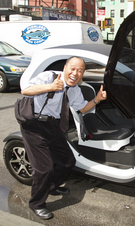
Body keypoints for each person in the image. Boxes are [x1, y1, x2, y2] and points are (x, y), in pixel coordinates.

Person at [20, 56, 107, 220]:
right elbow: (26, 90)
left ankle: (51, 187)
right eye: (73, 68)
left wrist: (97, 99)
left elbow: (82, 108)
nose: (76, 73)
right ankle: (36, 204)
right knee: (44, 168)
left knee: (67, 161)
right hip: (34, 125)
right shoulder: (49, 77)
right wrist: (50, 86)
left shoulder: (74, 89)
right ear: (65, 67)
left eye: (80, 70)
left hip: (53, 126)